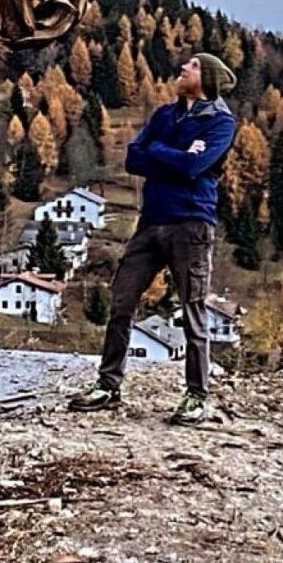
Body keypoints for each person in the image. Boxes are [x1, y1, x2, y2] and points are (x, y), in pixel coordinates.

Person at [70, 52, 237, 422]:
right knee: (122, 300)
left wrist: (163, 155)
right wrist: (174, 153)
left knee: (193, 309)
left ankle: (196, 396)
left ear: (206, 77)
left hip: (191, 224)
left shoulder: (221, 123)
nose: (182, 68)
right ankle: (108, 386)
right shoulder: (165, 115)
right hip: (150, 223)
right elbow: (134, 158)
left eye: (191, 66)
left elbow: (196, 166)